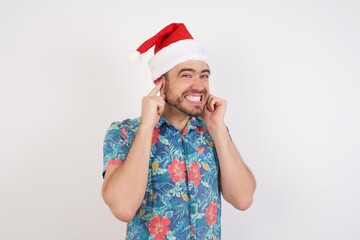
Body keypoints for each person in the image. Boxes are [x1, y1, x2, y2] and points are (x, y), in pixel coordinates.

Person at [102, 23, 256, 239]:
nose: (199, 85)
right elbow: (123, 208)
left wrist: (218, 128)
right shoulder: (124, 132)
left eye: (204, 75)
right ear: (160, 83)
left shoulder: (213, 130)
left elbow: (243, 199)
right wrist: (147, 127)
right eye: (186, 75)